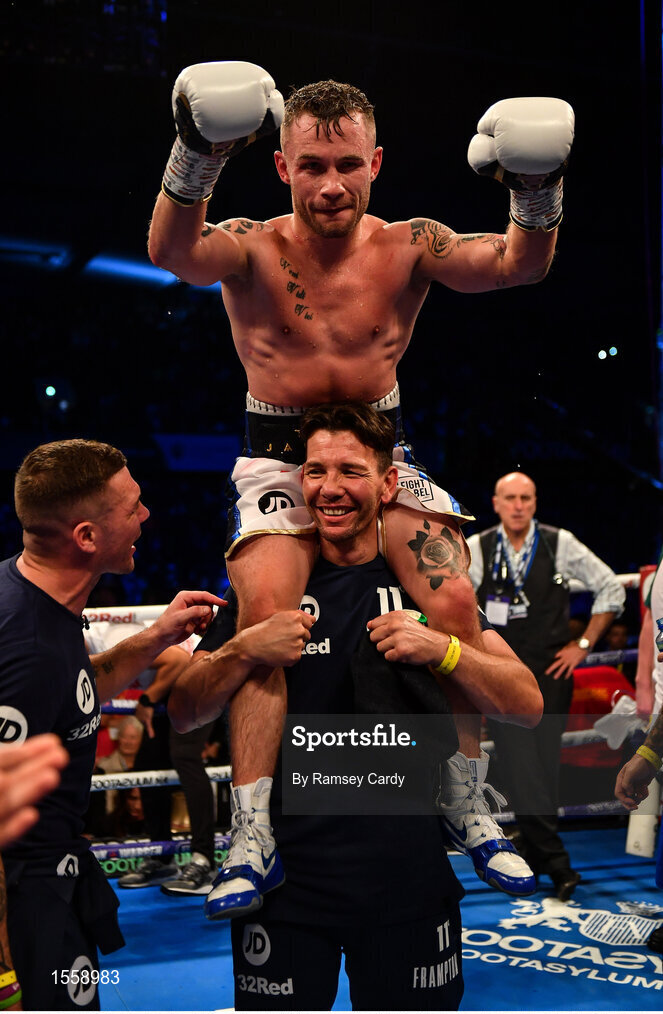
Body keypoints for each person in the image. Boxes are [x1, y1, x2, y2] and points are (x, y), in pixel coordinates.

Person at [149, 60, 574, 912]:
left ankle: (464, 794)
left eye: (348, 165)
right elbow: (174, 252)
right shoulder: (253, 242)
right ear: (281, 165)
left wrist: (536, 185)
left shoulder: (409, 242)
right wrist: (196, 151)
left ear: (375, 164)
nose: (331, 183)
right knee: (270, 620)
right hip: (278, 454)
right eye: (311, 164)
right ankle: (255, 826)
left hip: (380, 449)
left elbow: (517, 266)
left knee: (453, 602)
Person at [169, 402, 542, 1010]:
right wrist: (242, 650)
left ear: (389, 481)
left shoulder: (428, 584)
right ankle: (250, 834)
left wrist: (441, 650)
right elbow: (183, 712)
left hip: (409, 880)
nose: (329, 489)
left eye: (350, 471)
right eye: (315, 471)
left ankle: (467, 807)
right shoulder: (270, 587)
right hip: (290, 887)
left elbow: (525, 704)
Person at [0, 437, 224, 1011]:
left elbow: (75, 691)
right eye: (132, 507)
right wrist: (7, 966)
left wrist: (157, 636)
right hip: (23, 901)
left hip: (49, 879)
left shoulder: (32, 599)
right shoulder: (24, 647)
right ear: (87, 537)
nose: (146, 516)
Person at [466, 470, 626, 900]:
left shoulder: (560, 542)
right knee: (520, 764)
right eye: (510, 498)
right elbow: (459, 602)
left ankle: (536, 853)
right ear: (496, 503)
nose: (518, 505)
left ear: (535, 503)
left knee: (544, 767)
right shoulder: (477, 547)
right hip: (502, 675)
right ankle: (556, 863)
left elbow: (612, 588)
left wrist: (584, 644)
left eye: (526, 498)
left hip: (552, 672)